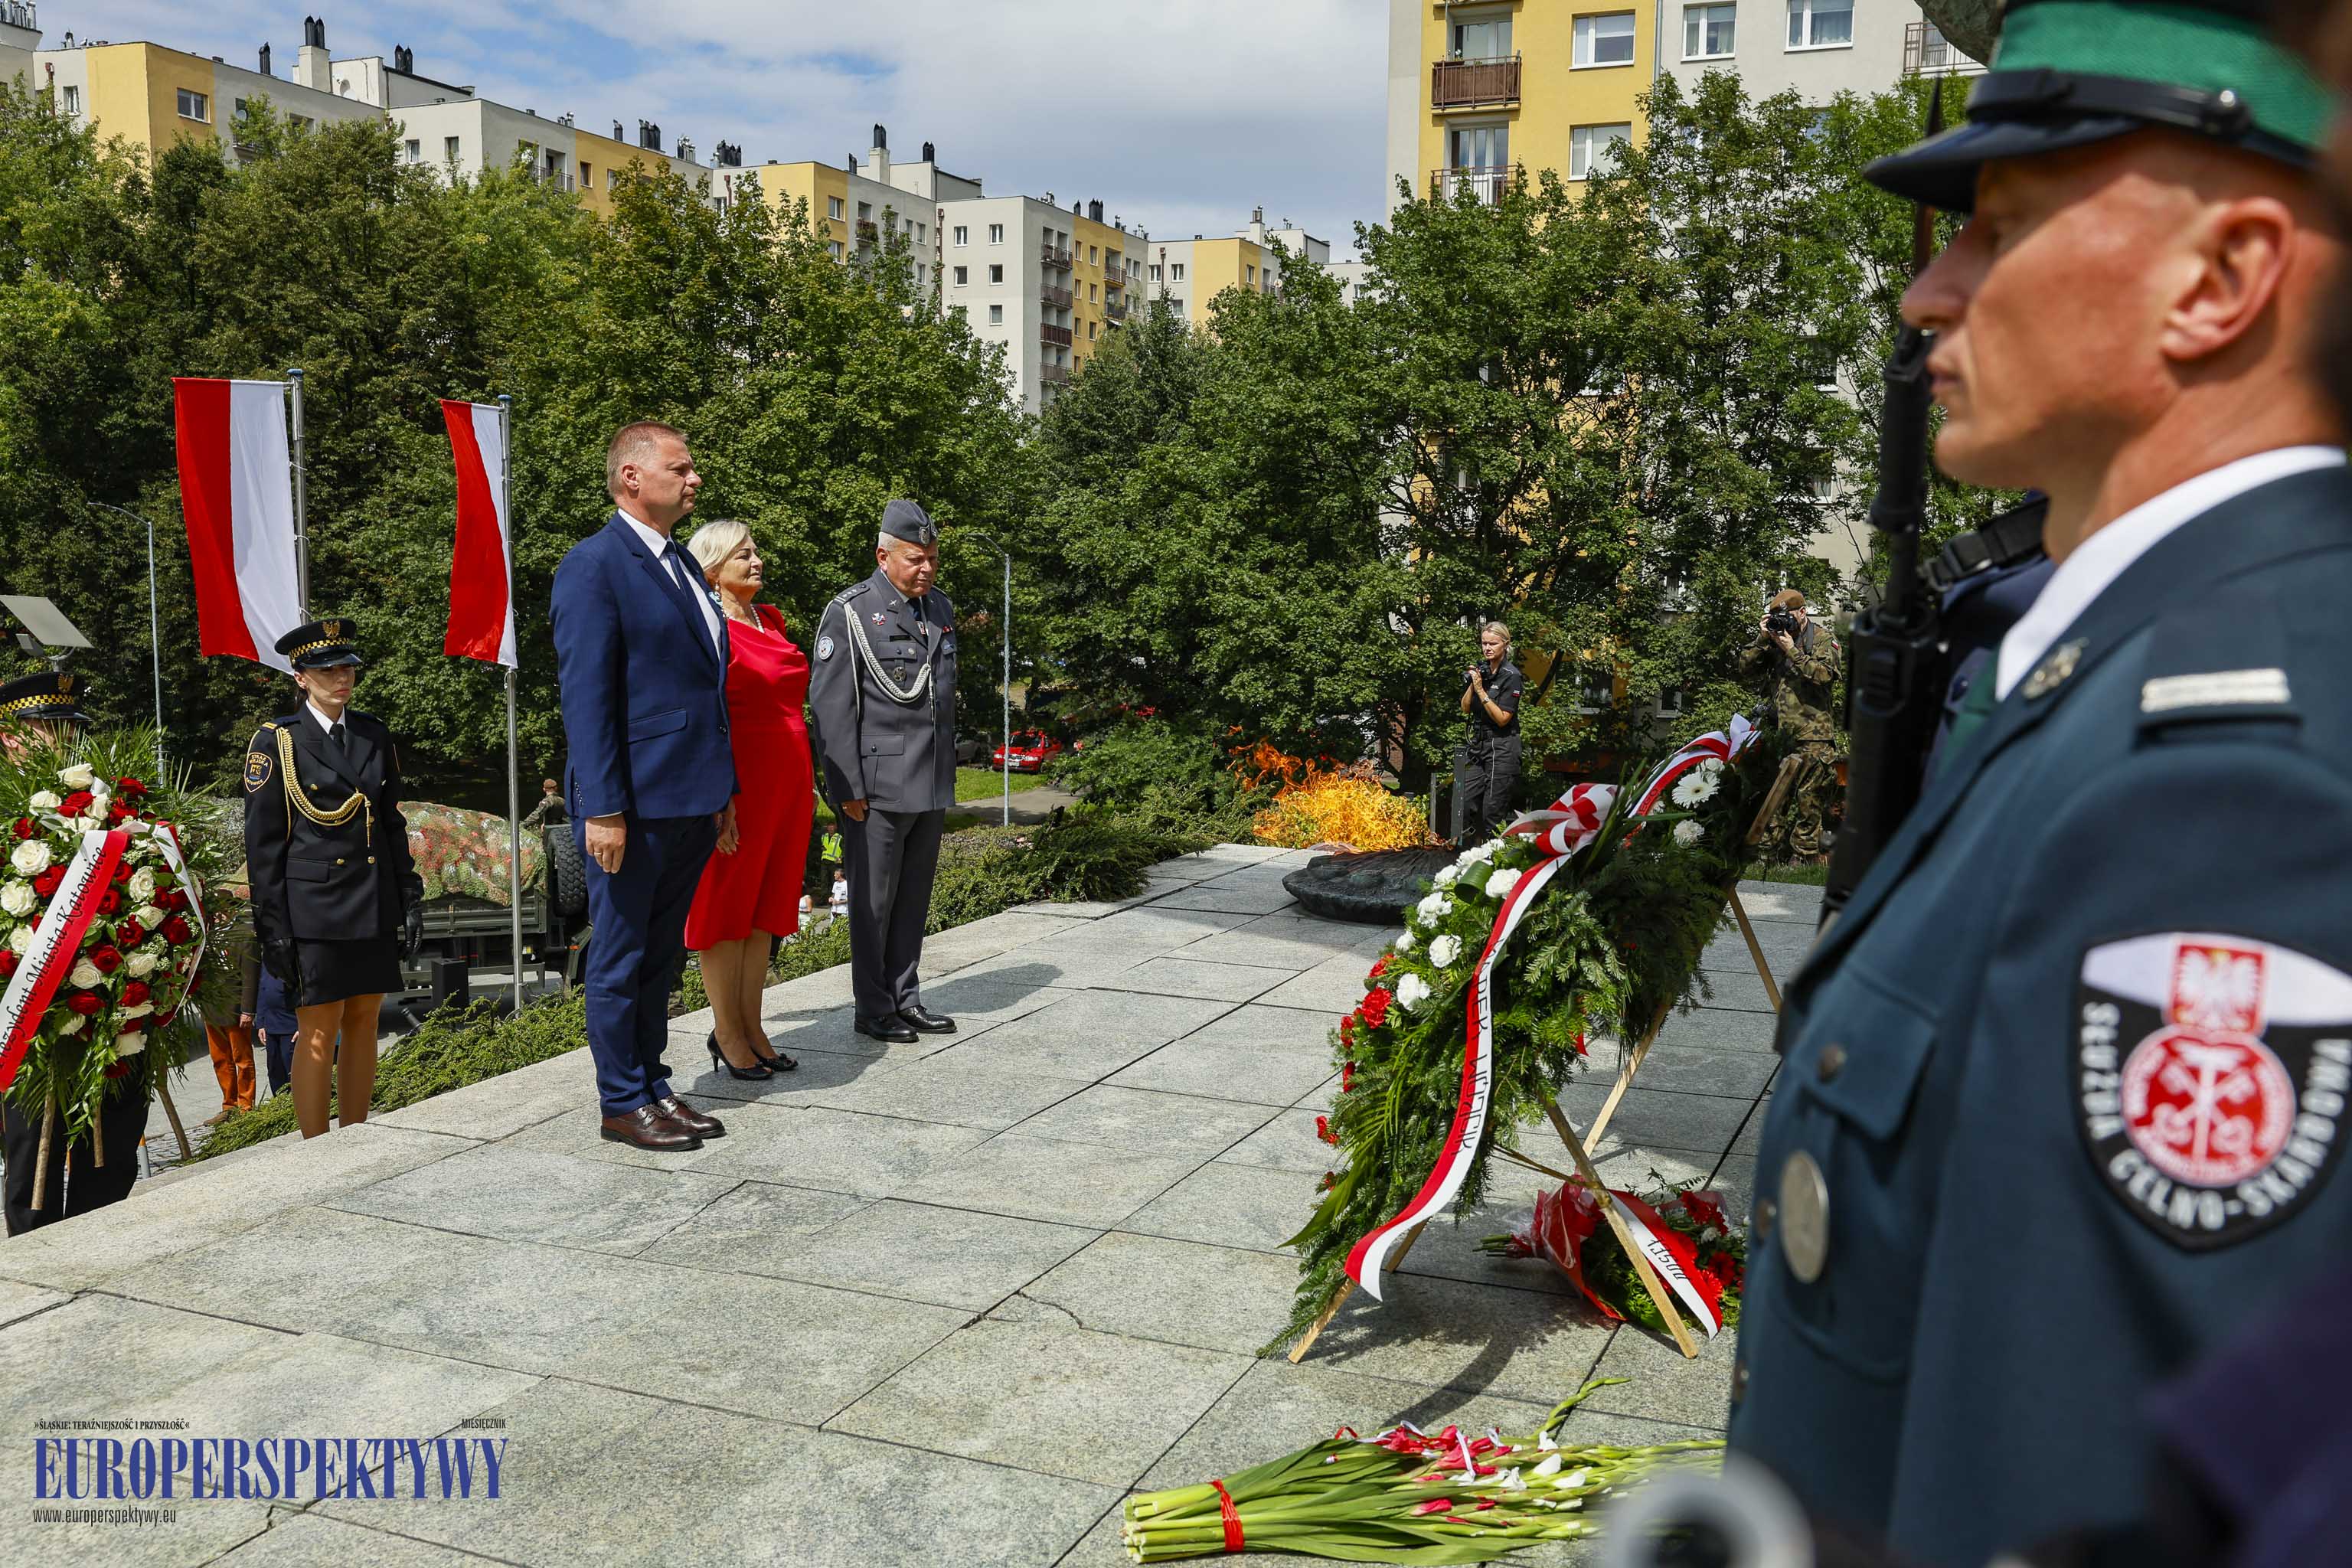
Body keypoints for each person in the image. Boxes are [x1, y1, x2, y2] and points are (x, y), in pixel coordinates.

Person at [1726, 3, 2351, 1564]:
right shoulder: (2108, 661)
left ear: (2221, 279)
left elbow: (2095, 1490)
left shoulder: (2225, 784)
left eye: (1998, 229)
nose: (1927, 292)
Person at [549, 420, 739, 1152]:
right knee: (622, 954)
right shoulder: (594, 565)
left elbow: (706, 688)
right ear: (633, 477)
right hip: (629, 802)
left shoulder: (682, 565)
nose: (695, 480)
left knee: (661, 954)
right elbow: (587, 698)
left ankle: (655, 1084)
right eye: (681, 468)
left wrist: (721, 791)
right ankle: (621, 1100)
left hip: (688, 796)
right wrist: (602, 808)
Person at [241, 619, 426, 1141]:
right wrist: (272, 929)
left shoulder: (372, 733)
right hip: (314, 909)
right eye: (327, 670)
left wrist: (408, 896)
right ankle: (316, 1148)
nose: (341, 678)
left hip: (370, 900)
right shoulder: (277, 742)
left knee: (365, 1020)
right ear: (300, 678)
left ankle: (356, 1136)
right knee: (318, 1030)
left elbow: (391, 823)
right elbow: (264, 847)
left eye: (346, 668)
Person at [0, 670, 152, 1234]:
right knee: (30, 1150)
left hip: (111, 995)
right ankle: (35, 1250)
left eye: (68, 725)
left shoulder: (110, 801)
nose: (62, 738)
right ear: (12, 736)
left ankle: (101, 1233)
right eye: (47, 727)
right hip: (29, 1005)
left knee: (113, 1135)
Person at [806, 498, 959, 1045]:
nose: (927, 569)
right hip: (875, 788)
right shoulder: (851, 611)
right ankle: (873, 1007)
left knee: (913, 898)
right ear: (883, 555)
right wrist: (845, 788)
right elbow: (831, 708)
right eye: (916, 559)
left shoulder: (938, 608)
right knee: (872, 905)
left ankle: (905, 997)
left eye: (933, 560)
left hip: (930, 780)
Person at [681, 518, 812, 1080]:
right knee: (727, 913)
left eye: (755, 551)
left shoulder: (772, 620)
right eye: (743, 555)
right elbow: (705, 718)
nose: (757, 561)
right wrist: (718, 796)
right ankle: (727, 1032)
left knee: (765, 914)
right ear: (712, 569)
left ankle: (754, 1027)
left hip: (788, 785)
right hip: (738, 787)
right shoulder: (706, 627)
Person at [1736, 587, 1841, 858]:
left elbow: (1825, 675)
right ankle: (1767, 856)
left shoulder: (1822, 638)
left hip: (1813, 734)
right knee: (1772, 799)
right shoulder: (1772, 640)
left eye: (1787, 616)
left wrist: (1792, 651)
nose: (1783, 623)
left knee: (1810, 801)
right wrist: (1762, 639)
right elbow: (1744, 669)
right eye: (1776, 617)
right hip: (1778, 733)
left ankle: (1804, 858)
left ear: (1803, 613)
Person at [1454, 621, 1523, 844]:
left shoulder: (1511, 676)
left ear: (1505, 644)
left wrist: (1482, 691)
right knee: (1463, 804)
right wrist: (1473, 684)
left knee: (1492, 813)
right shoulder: (1482, 670)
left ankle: (1497, 864)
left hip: (1502, 748)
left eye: (1493, 643)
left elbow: (1503, 719)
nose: (1487, 648)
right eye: (1484, 643)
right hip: (1479, 746)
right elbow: (1465, 708)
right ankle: (1465, 858)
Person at [199, 912, 257, 1125]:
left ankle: (246, 1105)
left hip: (234, 1009)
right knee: (220, 1060)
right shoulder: (206, 934)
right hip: (211, 1009)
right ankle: (229, 1104)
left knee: (242, 1059)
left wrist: (248, 1009)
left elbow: (250, 975)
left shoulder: (244, 935)